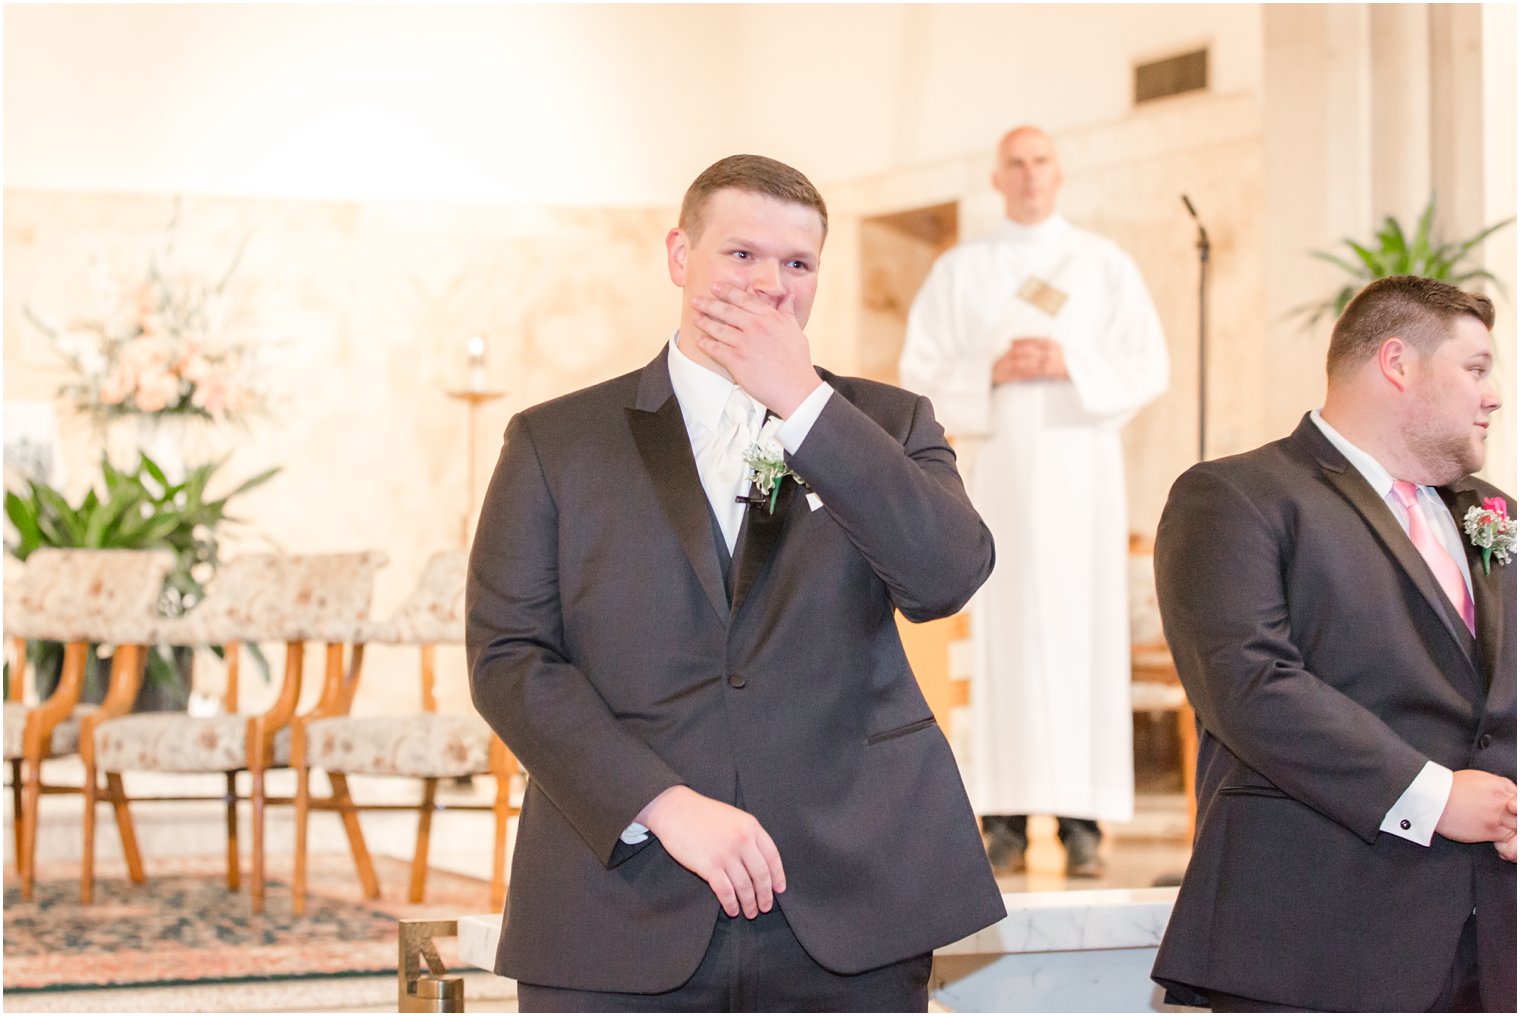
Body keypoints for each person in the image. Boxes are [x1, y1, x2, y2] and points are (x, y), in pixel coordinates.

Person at [467, 154, 1006, 1012]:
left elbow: (945, 576)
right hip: (624, 896)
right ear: (681, 257)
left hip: (847, 893)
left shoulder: (888, 424)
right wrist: (663, 803)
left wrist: (803, 404)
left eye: (798, 265)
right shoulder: (556, 442)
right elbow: (510, 659)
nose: (770, 286)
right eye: (742, 256)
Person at [1150, 275, 1517, 1012]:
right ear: (1397, 363)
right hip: (1316, 937)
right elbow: (1248, 684)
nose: (1494, 395)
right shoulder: (1239, 495)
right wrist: (1434, 796)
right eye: (1475, 368)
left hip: (1489, 943)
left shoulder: (1492, 513)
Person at [898, 126, 1169, 877]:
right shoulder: (962, 270)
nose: (1028, 175)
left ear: (1059, 173)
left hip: (1083, 480)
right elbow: (917, 367)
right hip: (1002, 480)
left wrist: (1070, 361)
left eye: (1040, 161)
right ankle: (1005, 819)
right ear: (996, 178)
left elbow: (1148, 362)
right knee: (1005, 639)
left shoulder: (1102, 264)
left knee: (1085, 636)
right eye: (1014, 163)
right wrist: (991, 369)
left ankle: (1084, 823)